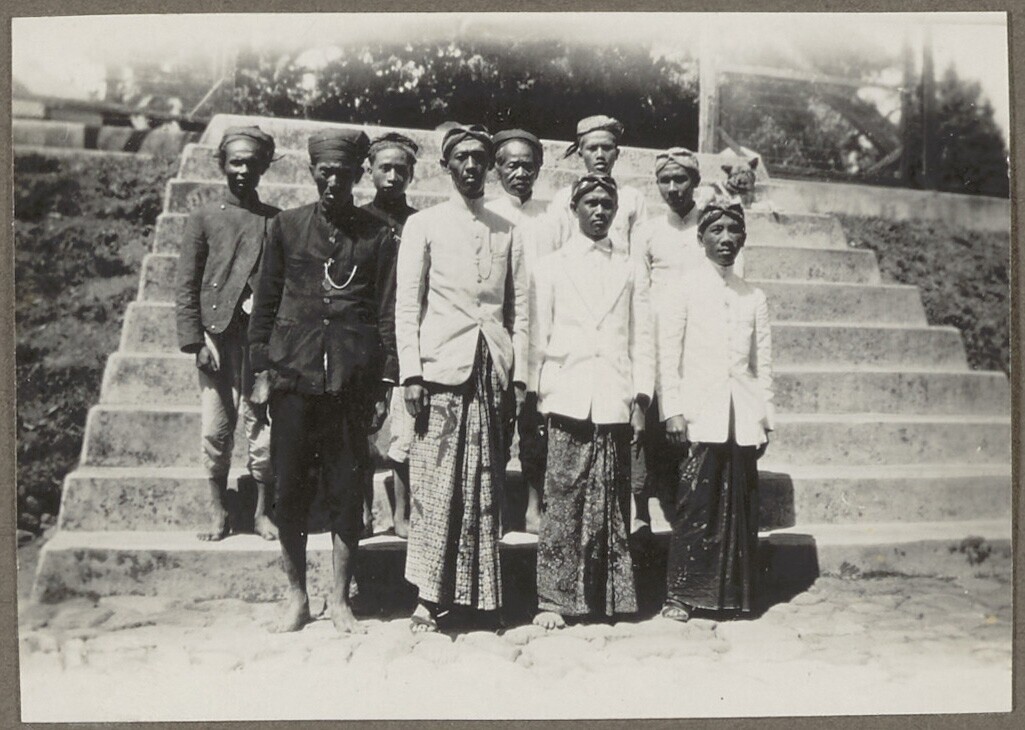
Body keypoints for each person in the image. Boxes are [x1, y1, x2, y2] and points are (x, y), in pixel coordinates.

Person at [248, 128, 398, 634]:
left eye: (343, 174)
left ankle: (339, 600)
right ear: (312, 172)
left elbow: (385, 312)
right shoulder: (286, 227)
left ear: (358, 175)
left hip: (350, 383)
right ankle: (297, 597)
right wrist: (260, 370)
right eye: (325, 173)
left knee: (347, 491)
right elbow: (265, 303)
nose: (334, 182)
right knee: (289, 491)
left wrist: (383, 384)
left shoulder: (377, 235)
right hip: (293, 376)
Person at [396, 124, 528, 633]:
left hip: (491, 368)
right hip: (439, 370)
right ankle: (429, 597)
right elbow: (407, 305)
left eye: (479, 158)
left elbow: (518, 310)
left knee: (484, 483)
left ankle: (483, 598)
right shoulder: (424, 224)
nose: (471, 166)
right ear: (447, 165)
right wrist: (411, 372)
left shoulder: (507, 228)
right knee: (436, 485)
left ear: (490, 166)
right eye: (461, 157)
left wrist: (519, 375)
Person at [529, 173, 653, 630]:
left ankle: (606, 598)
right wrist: (537, 396)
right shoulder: (550, 267)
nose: (599, 211)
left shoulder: (631, 268)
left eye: (607, 204)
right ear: (574, 209)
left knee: (610, 501)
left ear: (616, 212)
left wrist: (640, 399)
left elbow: (643, 339)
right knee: (563, 499)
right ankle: (554, 600)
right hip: (567, 394)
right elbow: (537, 339)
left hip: (613, 396)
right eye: (591, 203)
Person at [656, 192, 773, 622]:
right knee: (696, 505)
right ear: (700, 238)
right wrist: (672, 410)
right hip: (699, 413)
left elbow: (762, 364)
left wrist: (765, 418)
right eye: (716, 230)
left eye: (733, 230)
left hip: (742, 415)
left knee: (739, 508)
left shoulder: (753, 296)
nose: (726, 238)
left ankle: (733, 597)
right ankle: (682, 596)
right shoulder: (683, 287)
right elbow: (668, 354)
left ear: (743, 239)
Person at [175, 125, 279, 543]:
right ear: (223, 164)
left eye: (252, 163)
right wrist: (195, 342)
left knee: (263, 429)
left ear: (263, 167)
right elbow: (186, 283)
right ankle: (218, 510)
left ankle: (262, 513)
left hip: (260, 343)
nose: (243, 171)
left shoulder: (275, 220)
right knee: (215, 428)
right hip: (216, 340)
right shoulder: (203, 217)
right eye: (235, 162)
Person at [631, 147, 706, 535]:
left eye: (681, 179)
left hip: (699, 337)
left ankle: (689, 501)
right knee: (647, 415)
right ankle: (641, 505)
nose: (673, 188)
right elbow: (639, 289)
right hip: (656, 335)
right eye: (665, 180)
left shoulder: (711, 226)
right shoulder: (647, 232)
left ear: (696, 181)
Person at [485, 128, 554, 535]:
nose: (521, 173)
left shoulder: (554, 217)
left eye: (528, 166)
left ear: (539, 169)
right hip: (501, 332)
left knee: (536, 427)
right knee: (496, 424)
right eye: (512, 166)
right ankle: (492, 508)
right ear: (497, 170)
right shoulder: (488, 213)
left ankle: (533, 506)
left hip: (543, 332)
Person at [360, 132, 420, 539]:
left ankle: (402, 514)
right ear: (370, 171)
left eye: (401, 169)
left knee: (403, 433)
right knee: (361, 431)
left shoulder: (420, 223)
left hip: (404, 338)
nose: (393, 176)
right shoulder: (356, 221)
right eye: (385, 168)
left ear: (411, 174)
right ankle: (362, 511)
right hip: (364, 337)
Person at [547, 115, 648, 255]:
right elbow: (555, 248)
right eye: (592, 148)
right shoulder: (564, 197)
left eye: (606, 148)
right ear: (581, 153)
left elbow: (639, 251)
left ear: (617, 153)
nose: (600, 155)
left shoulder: (632, 198)